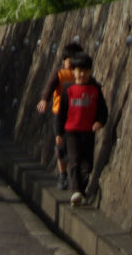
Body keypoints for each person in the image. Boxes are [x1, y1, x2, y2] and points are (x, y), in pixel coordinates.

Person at [54, 51, 108, 207]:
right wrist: (58, 133)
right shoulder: (68, 90)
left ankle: (81, 191)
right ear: (73, 71)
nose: (82, 74)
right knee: (74, 160)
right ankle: (75, 190)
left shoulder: (95, 90)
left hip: (88, 132)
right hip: (71, 132)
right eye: (78, 70)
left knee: (87, 165)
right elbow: (61, 113)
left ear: (90, 72)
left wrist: (99, 122)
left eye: (85, 71)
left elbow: (103, 111)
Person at [36, 39, 81, 190]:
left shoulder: (80, 75)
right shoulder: (60, 74)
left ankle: (74, 174)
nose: (71, 63)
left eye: (74, 60)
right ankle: (62, 174)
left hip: (75, 115)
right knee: (60, 145)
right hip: (59, 115)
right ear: (64, 60)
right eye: (69, 60)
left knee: (74, 146)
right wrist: (44, 99)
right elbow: (49, 87)